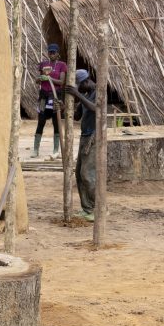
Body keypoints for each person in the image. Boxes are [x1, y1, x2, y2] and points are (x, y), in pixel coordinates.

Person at [65, 69, 97, 221]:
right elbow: (77, 116)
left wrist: (77, 95)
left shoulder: (99, 93)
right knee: (79, 174)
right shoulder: (85, 95)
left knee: (87, 174)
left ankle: (98, 208)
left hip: (95, 136)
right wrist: (64, 107)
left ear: (86, 81)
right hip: (85, 137)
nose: (78, 89)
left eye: (79, 86)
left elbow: (95, 108)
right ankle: (87, 208)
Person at [34, 43, 67, 158]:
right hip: (44, 96)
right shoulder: (43, 64)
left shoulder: (62, 65)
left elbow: (61, 82)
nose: (52, 54)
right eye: (50, 52)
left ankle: (56, 149)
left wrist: (50, 78)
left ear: (58, 53)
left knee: (56, 121)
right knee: (41, 121)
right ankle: (35, 149)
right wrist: (40, 79)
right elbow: (38, 80)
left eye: (54, 52)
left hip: (55, 96)